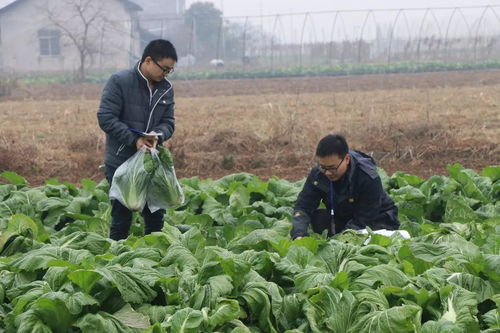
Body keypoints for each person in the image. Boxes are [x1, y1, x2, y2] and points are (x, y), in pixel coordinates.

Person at [97, 39, 177, 240]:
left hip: (151, 163)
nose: (166, 74)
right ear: (148, 60)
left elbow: (169, 122)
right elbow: (106, 117)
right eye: (164, 69)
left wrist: (157, 136)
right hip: (121, 161)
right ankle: (115, 264)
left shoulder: (165, 88)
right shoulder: (120, 81)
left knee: (156, 218)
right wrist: (135, 139)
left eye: (170, 71)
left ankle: (155, 261)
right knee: (122, 218)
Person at [291, 134, 400, 239]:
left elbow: (364, 218)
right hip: (343, 216)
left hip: (376, 219)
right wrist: (299, 234)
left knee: (368, 239)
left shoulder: (367, 177)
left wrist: (340, 240)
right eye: (323, 167)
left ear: (346, 159)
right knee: (317, 219)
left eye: (332, 168)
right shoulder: (318, 174)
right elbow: (303, 206)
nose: (327, 173)